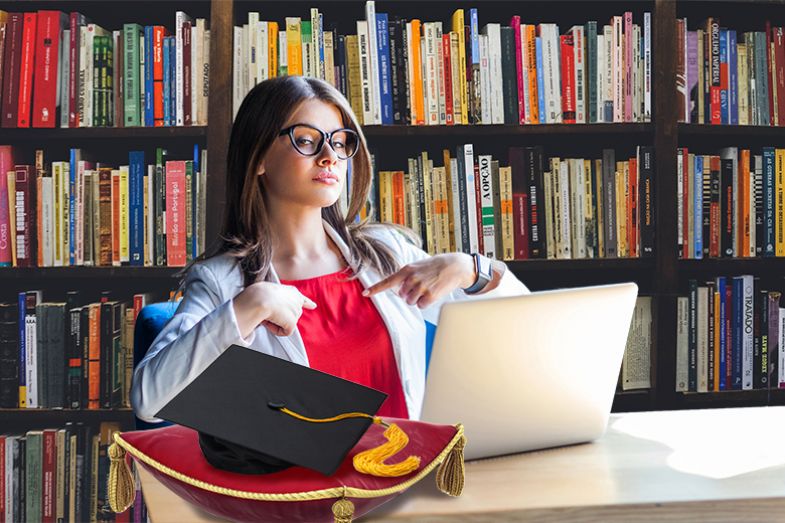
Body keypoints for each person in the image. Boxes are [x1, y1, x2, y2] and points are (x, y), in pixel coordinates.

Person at [131, 76, 529, 424]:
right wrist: (247, 306)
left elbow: (523, 330)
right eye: (306, 140)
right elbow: (150, 401)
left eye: (340, 143)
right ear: (258, 159)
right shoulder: (223, 281)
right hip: (306, 499)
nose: (330, 157)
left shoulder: (388, 254)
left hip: (408, 483)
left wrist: (472, 269)